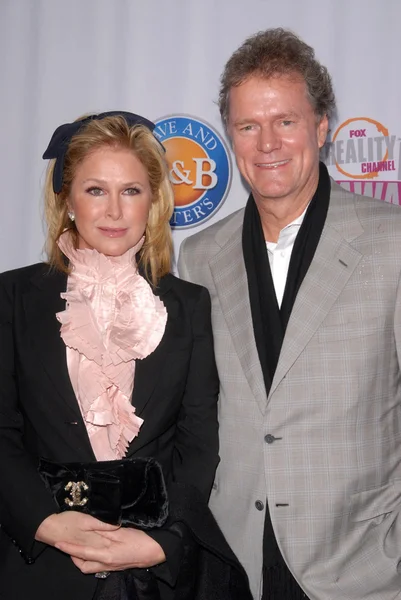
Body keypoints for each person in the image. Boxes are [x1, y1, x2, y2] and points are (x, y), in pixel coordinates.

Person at [178, 27, 401, 600]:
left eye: (286, 121)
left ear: (322, 127)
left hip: (360, 568)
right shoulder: (199, 254)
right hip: (231, 563)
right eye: (248, 126)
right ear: (231, 136)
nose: (267, 143)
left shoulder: (392, 242)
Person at [0, 111, 253, 600]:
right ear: (68, 200)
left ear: (154, 202)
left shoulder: (188, 305)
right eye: (96, 190)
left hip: (150, 577)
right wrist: (47, 523)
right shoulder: (11, 299)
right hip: (38, 570)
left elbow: (197, 444)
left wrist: (160, 543)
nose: (114, 211)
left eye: (131, 191)